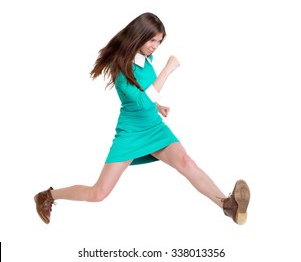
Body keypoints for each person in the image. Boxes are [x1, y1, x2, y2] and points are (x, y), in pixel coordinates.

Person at [34, 12, 250, 225]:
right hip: (132, 132)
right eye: (152, 40)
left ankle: (228, 206)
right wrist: (167, 70)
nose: (155, 46)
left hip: (153, 126)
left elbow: (143, 94)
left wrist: (157, 106)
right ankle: (48, 196)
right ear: (139, 36)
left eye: (159, 41)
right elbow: (139, 102)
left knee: (186, 162)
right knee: (98, 193)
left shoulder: (146, 57)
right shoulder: (120, 67)